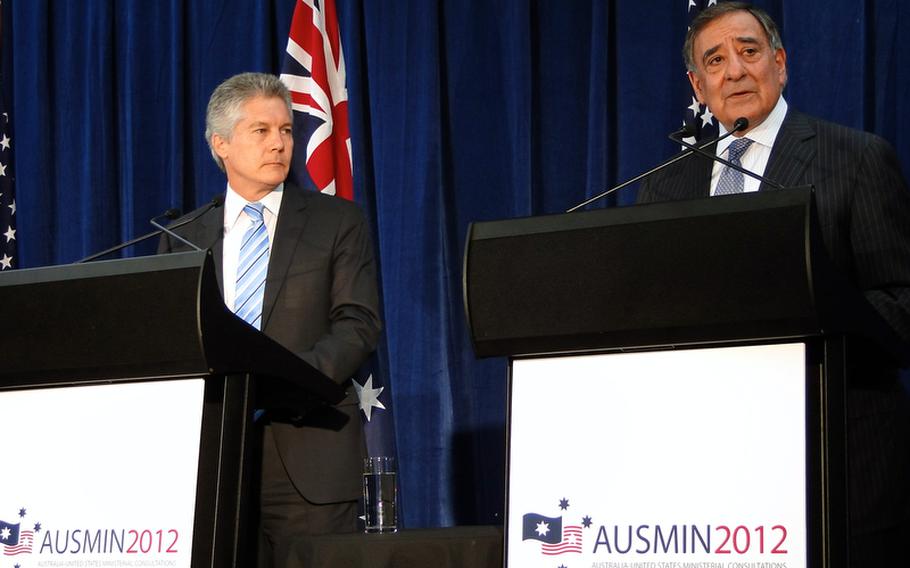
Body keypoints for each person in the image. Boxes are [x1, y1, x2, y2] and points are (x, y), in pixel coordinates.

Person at [637, 3, 910, 566]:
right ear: (698, 84)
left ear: (780, 65)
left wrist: (811, 324)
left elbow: (901, 305)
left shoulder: (855, 159)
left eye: (749, 51)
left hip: (836, 464)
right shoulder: (664, 189)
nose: (734, 70)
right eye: (715, 60)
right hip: (711, 473)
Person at [158, 72, 382, 565]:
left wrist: (286, 382)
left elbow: (358, 323)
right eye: (261, 131)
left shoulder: (336, 221)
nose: (279, 143)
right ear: (221, 144)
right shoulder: (185, 235)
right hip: (212, 460)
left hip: (308, 452)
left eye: (285, 131)